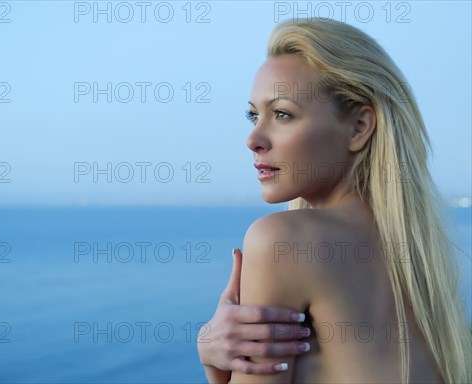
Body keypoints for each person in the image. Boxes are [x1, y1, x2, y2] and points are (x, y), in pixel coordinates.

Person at [197, 18, 471, 383]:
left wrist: (212, 361)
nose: (254, 139)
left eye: (282, 114)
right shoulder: (421, 263)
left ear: (359, 127)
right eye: (253, 115)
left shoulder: (282, 242)